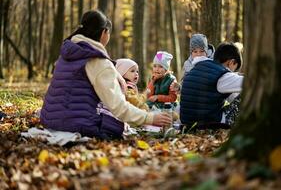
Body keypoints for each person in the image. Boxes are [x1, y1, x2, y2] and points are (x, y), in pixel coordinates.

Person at [40, 10, 171, 139]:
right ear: (104, 32)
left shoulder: (67, 53)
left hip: (48, 121)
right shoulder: (97, 60)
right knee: (116, 125)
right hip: (76, 125)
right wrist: (150, 118)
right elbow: (118, 107)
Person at [180, 42, 243, 130]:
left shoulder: (197, 68)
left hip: (188, 124)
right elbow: (249, 83)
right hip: (210, 125)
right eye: (234, 68)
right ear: (231, 62)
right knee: (244, 97)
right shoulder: (223, 75)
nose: (232, 73)